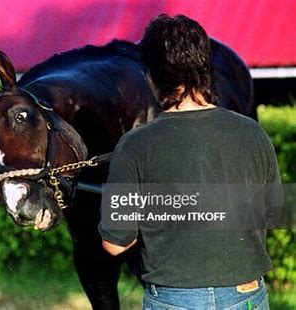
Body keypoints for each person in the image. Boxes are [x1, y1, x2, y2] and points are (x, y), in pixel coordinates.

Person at [99, 14, 282, 309]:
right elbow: (271, 216)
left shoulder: (134, 146)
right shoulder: (253, 132)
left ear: (151, 75)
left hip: (173, 299)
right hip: (247, 294)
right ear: (205, 67)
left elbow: (115, 243)